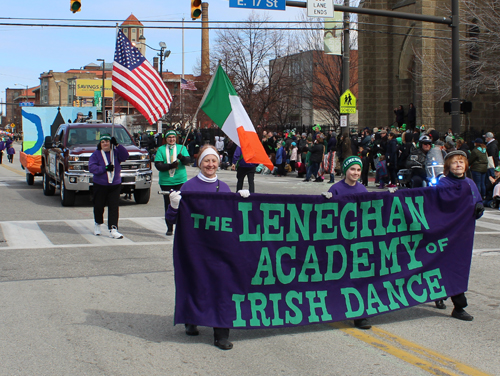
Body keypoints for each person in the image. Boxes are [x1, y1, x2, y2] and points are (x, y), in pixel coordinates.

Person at [166, 145, 250, 350]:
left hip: (219, 249)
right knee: (194, 284)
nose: (210, 165)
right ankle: (191, 318)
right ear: (199, 163)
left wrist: (244, 203)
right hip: (193, 249)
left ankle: (220, 333)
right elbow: (171, 219)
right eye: (206, 161)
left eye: (213, 161)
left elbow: (234, 221)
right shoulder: (188, 187)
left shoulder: (223, 187)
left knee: (221, 289)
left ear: (218, 163)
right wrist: (174, 205)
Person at [434, 150, 484, 320]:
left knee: (458, 267)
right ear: (448, 166)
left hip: (463, 235)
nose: (458, 165)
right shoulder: (443, 184)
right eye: (455, 162)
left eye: (461, 162)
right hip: (446, 233)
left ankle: (457, 305)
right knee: (443, 264)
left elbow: (477, 201)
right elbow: (435, 206)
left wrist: (479, 207)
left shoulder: (470, 184)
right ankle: (452, 299)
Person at [323, 156, 371, 329]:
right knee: (339, 275)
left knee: (359, 276)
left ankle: (360, 315)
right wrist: (325, 201)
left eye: (358, 170)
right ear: (345, 171)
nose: (356, 173)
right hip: (340, 240)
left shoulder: (363, 189)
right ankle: (335, 307)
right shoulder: (336, 188)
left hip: (358, 240)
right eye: (352, 169)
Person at [89, 134, 129, 239]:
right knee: (99, 205)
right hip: (100, 184)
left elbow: (125, 156)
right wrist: (105, 168)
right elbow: (92, 168)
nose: (105, 144)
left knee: (114, 207)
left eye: (107, 141)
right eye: (103, 142)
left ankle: (113, 228)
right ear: (100, 144)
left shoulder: (115, 153)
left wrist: (117, 145)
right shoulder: (96, 154)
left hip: (114, 184)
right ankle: (98, 223)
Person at [155, 130, 191, 236]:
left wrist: (182, 158)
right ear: (166, 139)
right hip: (166, 181)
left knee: (181, 203)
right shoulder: (161, 150)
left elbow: (188, 161)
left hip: (180, 180)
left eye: (173, 137)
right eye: (169, 137)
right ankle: (169, 227)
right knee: (168, 204)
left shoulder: (181, 148)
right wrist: (170, 166)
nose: (172, 139)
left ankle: (181, 226)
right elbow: (158, 165)